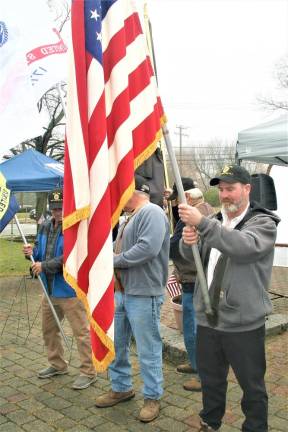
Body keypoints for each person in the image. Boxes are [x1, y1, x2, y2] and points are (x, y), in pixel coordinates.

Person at [178, 165, 280, 432]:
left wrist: (202, 224)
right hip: (208, 318)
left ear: (247, 189)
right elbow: (194, 261)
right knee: (210, 381)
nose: (224, 195)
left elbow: (242, 247)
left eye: (231, 189)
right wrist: (188, 242)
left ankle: (256, 427)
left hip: (242, 323)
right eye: (221, 189)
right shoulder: (217, 222)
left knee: (252, 386)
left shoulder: (263, 222)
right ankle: (210, 422)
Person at [95, 175, 170, 423]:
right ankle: (121, 388)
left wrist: (110, 261)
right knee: (118, 344)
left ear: (132, 190)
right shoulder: (130, 216)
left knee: (148, 348)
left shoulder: (152, 212)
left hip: (143, 293)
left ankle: (152, 396)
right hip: (123, 292)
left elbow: (147, 249)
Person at [23, 189, 96, 390]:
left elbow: (71, 257)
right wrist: (31, 253)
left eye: (60, 208)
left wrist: (44, 266)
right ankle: (57, 365)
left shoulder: (74, 227)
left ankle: (88, 372)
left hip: (70, 291)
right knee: (49, 330)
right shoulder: (45, 226)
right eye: (54, 208)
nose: (57, 212)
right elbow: (39, 252)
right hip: (49, 290)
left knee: (81, 333)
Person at [170, 187, 214, 392]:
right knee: (189, 327)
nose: (177, 201)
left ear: (188, 197)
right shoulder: (194, 212)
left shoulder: (200, 214)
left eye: (179, 196)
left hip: (196, 280)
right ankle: (195, 363)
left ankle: (205, 375)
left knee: (197, 330)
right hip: (189, 280)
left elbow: (183, 245)